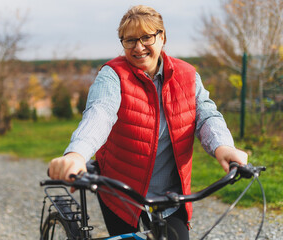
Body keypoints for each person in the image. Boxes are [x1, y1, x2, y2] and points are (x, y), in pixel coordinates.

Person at [48, 5, 248, 240]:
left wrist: (223, 146)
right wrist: (76, 155)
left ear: (162, 37)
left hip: (171, 197)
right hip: (121, 193)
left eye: (146, 37)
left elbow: (206, 115)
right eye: (130, 40)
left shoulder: (187, 75)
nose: (138, 47)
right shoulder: (112, 75)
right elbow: (100, 113)